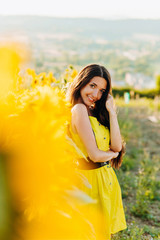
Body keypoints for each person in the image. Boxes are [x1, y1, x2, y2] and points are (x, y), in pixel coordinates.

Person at [66, 64, 127, 240]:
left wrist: (112, 113)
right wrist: (112, 155)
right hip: (88, 182)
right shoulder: (78, 110)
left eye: (102, 90)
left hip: (106, 180)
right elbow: (94, 155)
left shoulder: (96, 111)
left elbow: (116, 146)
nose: (96, 95)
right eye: (92, 86)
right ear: (82, 83)